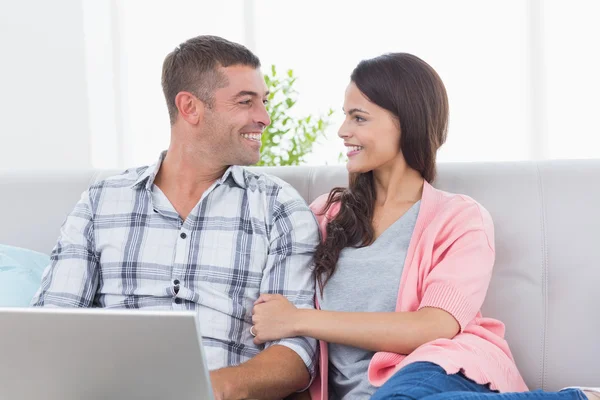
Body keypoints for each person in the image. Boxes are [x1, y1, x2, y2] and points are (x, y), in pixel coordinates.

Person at [250, 53, 600, 400]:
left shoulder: (460, 218)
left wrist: (299, 319)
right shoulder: (325, 215)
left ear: (407, 122)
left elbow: (434, 326)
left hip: (439, 367)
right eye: (345, 116)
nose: (343, 131)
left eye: (359, 118)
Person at [31, 35, 320, 400]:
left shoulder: (279, 207)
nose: (264, 118)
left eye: (263, 102)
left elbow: (295, 356)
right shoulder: (101, 201)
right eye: (246, 102)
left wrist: (209, 388)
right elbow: (52, 327)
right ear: (190, 107)